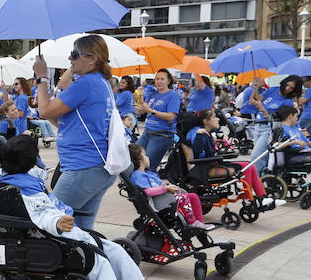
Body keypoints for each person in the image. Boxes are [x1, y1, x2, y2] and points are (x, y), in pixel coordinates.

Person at [0, 136, 188, 280]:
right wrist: (57, 221)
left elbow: (40, 183)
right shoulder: (21, 188)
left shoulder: (24, 179)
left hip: (64, 236)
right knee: (100, 263)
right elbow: (40, 214)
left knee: (116, 250)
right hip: (51, 240)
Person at [31, 34, 117, 232]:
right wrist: (48, 105)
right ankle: (92, 262)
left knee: (46, 222)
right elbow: (60, 120)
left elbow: (44, 111)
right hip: (96, 168)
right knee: (82, 230)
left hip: (82, 168)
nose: (70, 59)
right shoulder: (100, 82)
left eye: (75, 54)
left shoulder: (85, 84)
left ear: (92, 59)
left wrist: (41, 77)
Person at [127, 142, 211, 230]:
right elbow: (147, 191)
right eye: (145, 155)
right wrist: (165, 188)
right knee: (184, 198)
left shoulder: (148, 173)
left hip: (165, 197)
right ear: (140, 159)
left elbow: (155, 185)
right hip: (159, 202)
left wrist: (164, 185)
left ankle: (200, 223)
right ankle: (192, 223)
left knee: (193, 196)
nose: (148, 158)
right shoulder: (138, 175)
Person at [135, 69, 181, 173]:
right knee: (134, 158)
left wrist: (151, 111)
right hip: (147, 133)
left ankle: (153, 187)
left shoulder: (173, 95)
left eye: (162, 79)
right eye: (157, 79)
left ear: (168, 81)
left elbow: (171, 117)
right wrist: (140, 97)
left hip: (162, 135)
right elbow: (140, 111)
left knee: (148, 166)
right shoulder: (152, 94)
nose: (159, 81)